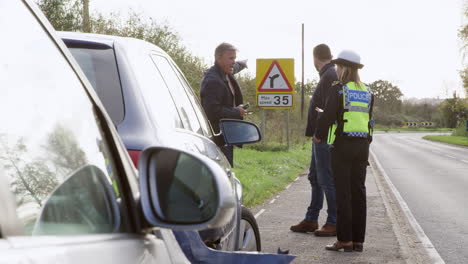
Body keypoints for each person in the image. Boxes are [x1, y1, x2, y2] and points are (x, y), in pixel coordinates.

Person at [314, 50, 374, 252]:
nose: (337, 69)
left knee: (343, 194)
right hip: (362, 146)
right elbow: (368, 120)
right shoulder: (367, 91)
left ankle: (344, 240)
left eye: (339, 66)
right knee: (359, 192)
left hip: (342, 146)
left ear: (344, 68)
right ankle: (358, 241)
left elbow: (329, 116)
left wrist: (319, 134)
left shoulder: (339, 90)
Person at [290, 44, 337, 237]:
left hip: (324, 137)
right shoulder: (328, 74)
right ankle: (311, 219)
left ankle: (333, 221)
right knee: (315, 178)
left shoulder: (330, 75)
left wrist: (319, 134)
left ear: (315, 57)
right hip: (320, 136)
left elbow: (328, 110)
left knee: (326, 180)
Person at [200, 43, 247, 167]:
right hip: (219, 139)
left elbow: (235, 67)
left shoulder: (226, 71)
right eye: (231, 58)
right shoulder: (212, 81)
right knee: (224, 175)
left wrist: (242, 64)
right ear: (218, 58)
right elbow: (212, 111)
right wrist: (237, 112)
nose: (233, 62)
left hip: (227, 134)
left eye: (235, 58)